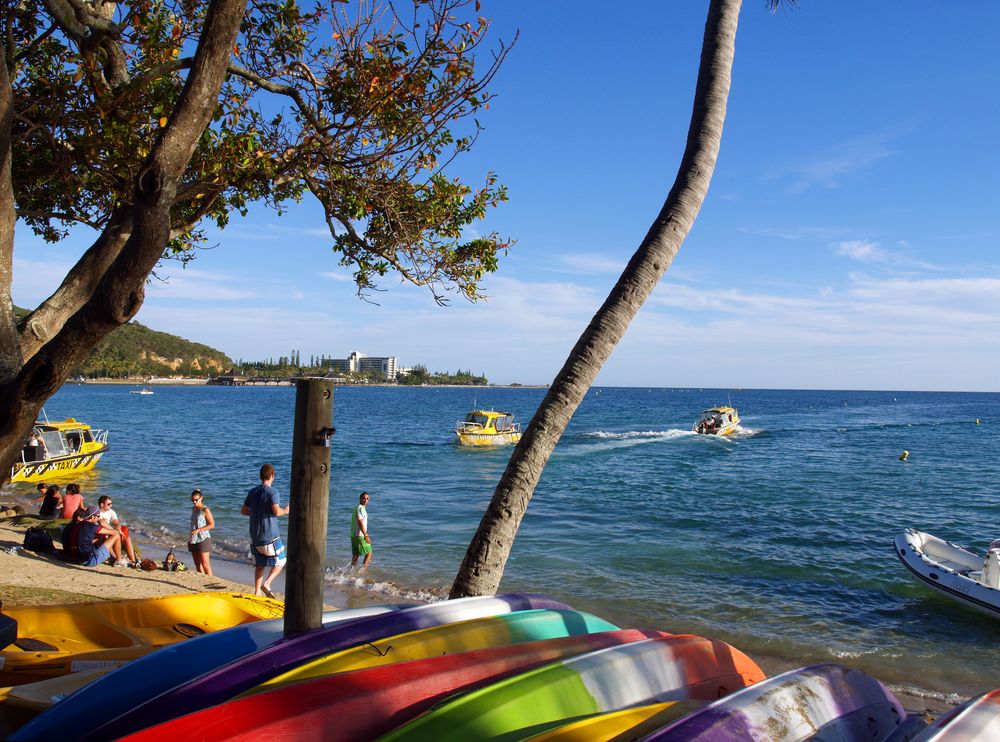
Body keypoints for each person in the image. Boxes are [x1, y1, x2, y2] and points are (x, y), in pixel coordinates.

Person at [241, 464, 289, 598]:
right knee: (282, 560)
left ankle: (256, 592)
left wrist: (257, 512)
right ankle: (267, 583)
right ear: (272, 475)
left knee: (260, 564)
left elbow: (244, 510)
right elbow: (276, 511)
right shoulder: (273, 492)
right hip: (269, 536)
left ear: (260, 476)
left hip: (255, 535)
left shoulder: (253, 491)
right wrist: (286, 510)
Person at [97, 495, 138, 566]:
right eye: (109, 504)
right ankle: (115, 559)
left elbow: (116, 523)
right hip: (102, 534)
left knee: (127, 538)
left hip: (111, 532)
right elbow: (101, 523)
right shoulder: (97, 512)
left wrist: (118, 529)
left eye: (111, 503)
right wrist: (115, 531)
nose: (111, 505)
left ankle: (134, 561)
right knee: (107, 536)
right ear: (102, 504)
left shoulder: (111, 511)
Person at [188, 489, 215, 576]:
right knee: (197, 565)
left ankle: (210, 583)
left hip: (203, 539)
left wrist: (199, 530)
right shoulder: (193, 509)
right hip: (193, 539)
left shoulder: (205, 509)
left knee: (205, 564)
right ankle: (203, 582)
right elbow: (193, 524)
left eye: (196, 500)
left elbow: (212, 525)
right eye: (192, 500)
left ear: (201, 498)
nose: (194, 502)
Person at [351, 491, 372, 571]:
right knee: (369, 553)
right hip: (360, 536)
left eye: (367, 499)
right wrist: (366, 535)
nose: (366, 500)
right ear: (360, 499)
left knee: (356, 555)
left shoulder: (357, 508)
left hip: (353, 536)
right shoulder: (360, 508)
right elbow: (360, 522)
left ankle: (350, 573)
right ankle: (361, 573)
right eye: (364, 498)